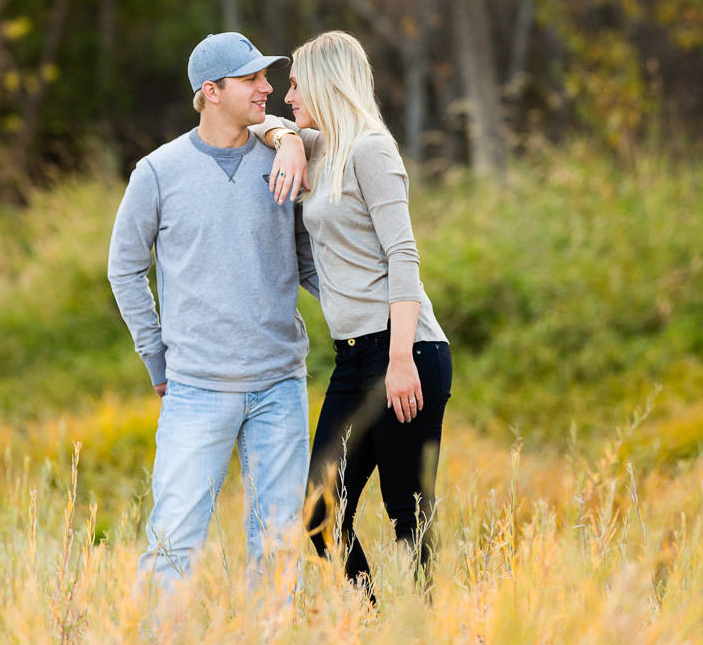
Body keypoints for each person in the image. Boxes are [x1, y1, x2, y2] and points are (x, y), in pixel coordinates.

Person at [107, 30, 321, 595]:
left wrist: (372, 322)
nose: (266, 88)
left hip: (280, 385)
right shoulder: (157, 173)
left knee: (278, 545)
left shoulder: (281, 157)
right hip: (196, 388)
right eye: (252, 79)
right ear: (212, 91)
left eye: (265, 78)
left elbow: (308, 263)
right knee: (174, 543)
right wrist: (156, 358)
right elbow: (124, 269)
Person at [259, 30, 452, 598]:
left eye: (295, 85)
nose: (287, 97)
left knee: (405, 510)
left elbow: (404, 254)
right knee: (319, 509)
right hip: (351, 357)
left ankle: (422, 633)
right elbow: (252, 126)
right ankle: (368, 619)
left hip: (405, 351)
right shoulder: (321, 148)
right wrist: (288, 139)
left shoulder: (372, 148)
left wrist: (398, 359)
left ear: (325, 82)